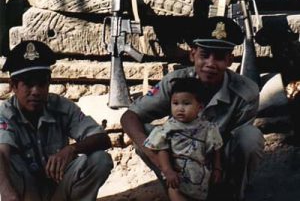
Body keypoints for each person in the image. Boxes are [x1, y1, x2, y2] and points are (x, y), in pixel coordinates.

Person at [121, 16, 265, 201]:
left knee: (250, 137)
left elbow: (237, 145)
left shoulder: (246, 91)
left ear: (230, 60)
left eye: (220, 57)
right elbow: (129, 116)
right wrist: (159, 160)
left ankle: (232, 194)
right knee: (148, 136)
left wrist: (216, 169)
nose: (211, 64)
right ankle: (177, 191)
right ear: (192, 55)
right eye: (204, 55)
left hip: (217, 159)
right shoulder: (175, 82)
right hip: (179, 162)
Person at [0, 40, 113, 201]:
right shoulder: (5, 113)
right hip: (26, 194)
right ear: (13, 86)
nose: (36, 92)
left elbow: (103, 138)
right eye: (28, 84)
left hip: (59, 190)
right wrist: (7, 193)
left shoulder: (61, 106)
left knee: (100, 160)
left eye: (42, 83)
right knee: (5, 164)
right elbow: (2, 152)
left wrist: (71, 149)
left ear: (49, 83)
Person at [144, 78, 223, 201]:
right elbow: (162, 149)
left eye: (186, 104)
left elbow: (216, 148)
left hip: (200, 177)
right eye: (175, 103)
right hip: (177, 178)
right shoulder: (168, 128)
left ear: (200, 107)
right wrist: (168, 170)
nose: (180, 108)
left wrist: (217, 168)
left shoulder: (207, 127)